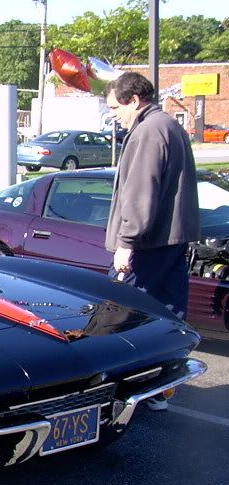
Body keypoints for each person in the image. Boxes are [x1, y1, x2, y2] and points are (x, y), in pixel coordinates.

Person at [104, 73, 200, 410]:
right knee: (167, 316)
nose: (114, 114)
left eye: (116, 107)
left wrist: (126, 241)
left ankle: (102, 393)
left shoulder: (147, 130)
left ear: (133, 99)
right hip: (170, 241)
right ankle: (160, 389)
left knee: (114, 315)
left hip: (146, 243)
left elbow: (141, 192)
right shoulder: (169, 125)